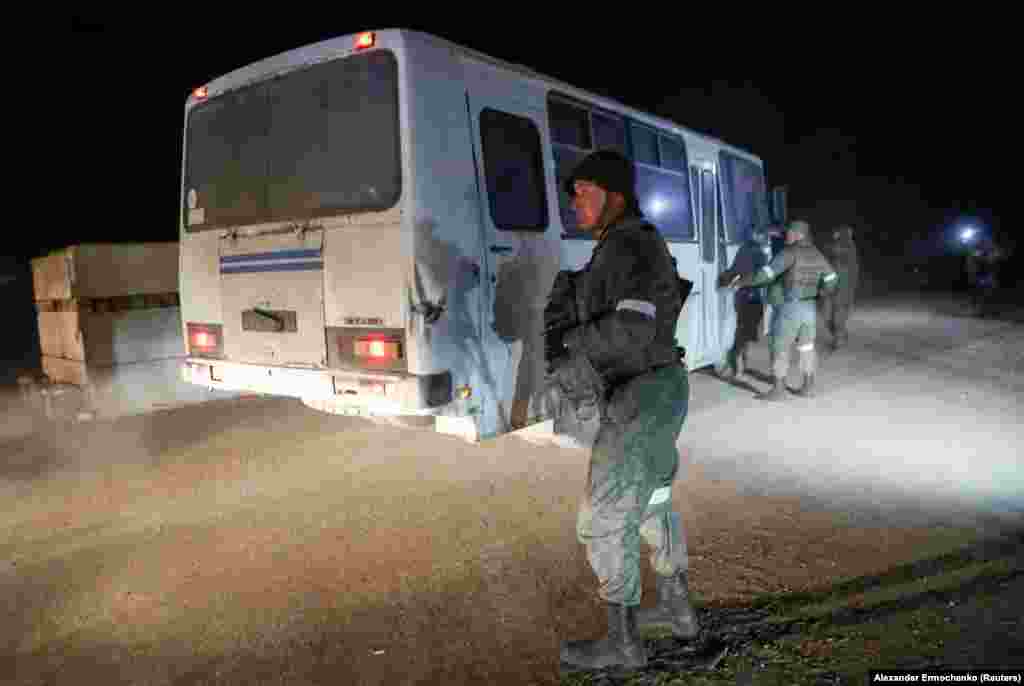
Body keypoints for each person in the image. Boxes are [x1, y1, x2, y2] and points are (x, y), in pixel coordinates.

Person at [546, 150, 696, 670]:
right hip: (662, 387)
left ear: (614, 196)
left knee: (604, 518)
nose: (574, 204)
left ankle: (623, 644)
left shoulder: (627, 246)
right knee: (652, 502)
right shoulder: (633, 243)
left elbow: (631, 327)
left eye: (583, 193)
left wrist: (570, 343)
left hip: (639, 392)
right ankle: (678, 614)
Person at [728, 220, 838, 400]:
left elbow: (765, 274)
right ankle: (808, 386)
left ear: (798, 234)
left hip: (791, 307)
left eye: (789, 232)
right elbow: (832, 278)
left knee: (779, 345)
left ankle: (778, 390)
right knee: (807, 347)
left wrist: (741, 282)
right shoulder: (817, 254)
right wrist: (821, 293)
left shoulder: (790, 252)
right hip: (809, 307)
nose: (786, 235)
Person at [716, 226, 774, 378]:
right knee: (744, 333)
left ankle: (741, 366)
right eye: (762, 235)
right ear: (756, 235)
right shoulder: (755, 251)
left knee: (744, 331)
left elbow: (735, 270)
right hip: (751, 296)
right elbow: (760, 274)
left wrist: (723, 280)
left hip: (744, 296)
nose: (765, 238)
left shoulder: (746, 249)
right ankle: (738, 367)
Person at [819, 225, 859, 351]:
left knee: (838, 317)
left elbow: (838, 251)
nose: (834, 236)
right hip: (830, 289)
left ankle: (839, 338)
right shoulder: (832, 254)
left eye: (837, 234)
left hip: (843, 291)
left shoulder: (849, 249)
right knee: (827, 317)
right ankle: (839, 335)